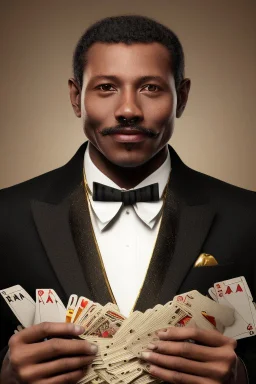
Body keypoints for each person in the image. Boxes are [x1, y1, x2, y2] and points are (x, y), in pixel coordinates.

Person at [0, 14, 255, 384]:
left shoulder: (248, 218)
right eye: (106, 88)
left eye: (151, 88)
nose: (129, 110)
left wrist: (241, 376)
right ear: (76, 97)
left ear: (181, 97)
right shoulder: (5, 217)